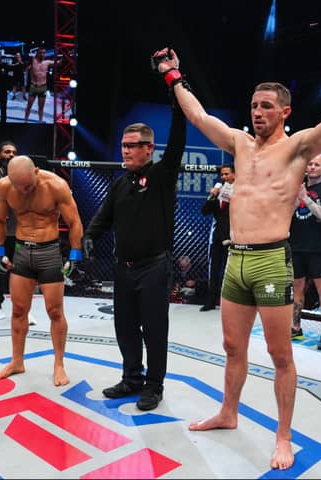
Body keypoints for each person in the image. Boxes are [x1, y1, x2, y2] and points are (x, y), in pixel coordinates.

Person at [163, 3, 321, 470]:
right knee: (233, 348)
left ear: (285, 111)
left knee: (279, 355)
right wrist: (175, 77)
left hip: (273, 260)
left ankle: (282, 436)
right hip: (235, 259)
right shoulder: (238, 142)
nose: (257, 113)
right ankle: (228, 412)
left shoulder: (299, 147)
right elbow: (197, 116)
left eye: (267, 106)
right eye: (254, 106)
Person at [82, 61, 186, 412]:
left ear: (149, 148)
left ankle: (154, 386)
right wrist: (88, 238)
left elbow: (180, 133)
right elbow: (103, 218)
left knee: (154, 331)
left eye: (133, 145)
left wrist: (173, 84)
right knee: (125, 328)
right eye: (123, 146)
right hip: (123, 268)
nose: (126, 151)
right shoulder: (120, 185)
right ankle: (131, 378)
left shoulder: (161, 175)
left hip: (155, 267)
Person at [0, 155, 83, 386]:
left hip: (49, 252)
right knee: (19, 309)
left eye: (28, 186)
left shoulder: (56, 186)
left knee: (55, 311)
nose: (24, 191)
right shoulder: (4, 187)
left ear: (37, 171)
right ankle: (17, 361)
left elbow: (74, 222)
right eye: (18, 187)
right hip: (22, 252)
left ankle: (59, 364)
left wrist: (75, 255)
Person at [289, 154, 321, 350]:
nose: (312, 167)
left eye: (317, 164)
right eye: (310, 163)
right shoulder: (297, 187)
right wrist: (296, 198)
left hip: (317, 247)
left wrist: (306, 199)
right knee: (297, 289)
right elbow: (286, 215)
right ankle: (296, 327)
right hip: (297, 245)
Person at [0, 141, 36, 325]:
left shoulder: (26, 175)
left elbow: (31, 198)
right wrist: (12, 184)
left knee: (22, 272)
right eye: (7, 152)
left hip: (20, 232)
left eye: (14, 152)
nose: (11, 155)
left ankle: (24, 309)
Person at [200, 164, 235, 312]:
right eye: (222, 175)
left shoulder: (240, 192)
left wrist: (232, 198)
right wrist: (212, 195)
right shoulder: (218, 192)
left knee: (230, 272)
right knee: (213, 269)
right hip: (216, 237)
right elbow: (205, 211)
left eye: (226, 174)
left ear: (234, 175)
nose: (224, 177)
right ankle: (210, 302)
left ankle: (228, 304)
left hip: (232, 237)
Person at [24, 47, 54, 124]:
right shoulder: (32, 61)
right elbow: (25, 69)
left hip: (43, 87)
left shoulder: (47, 62)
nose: (42, 54)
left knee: (41, 107)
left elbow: (59, 63)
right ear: (37, 53)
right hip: (33, 86)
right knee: (29, 106)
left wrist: (67, 55)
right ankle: (25, 121)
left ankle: (40, 122)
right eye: (40, 52)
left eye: (44, 53)